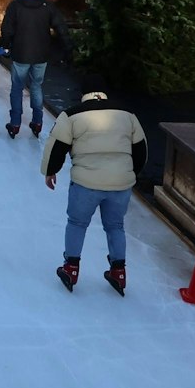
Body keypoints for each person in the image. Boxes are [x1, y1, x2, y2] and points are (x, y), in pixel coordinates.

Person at [44, 92, 147, 296]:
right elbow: (141, 149)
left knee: (77, 223)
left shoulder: (71, 115)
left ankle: (71, 268)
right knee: (115, 226)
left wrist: (50, 170)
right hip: (120, 183)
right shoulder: (128, 115)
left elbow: (57, 145)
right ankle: (118, 271)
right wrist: (130, 173)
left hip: (86, 183)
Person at [0, 0, 69, 137]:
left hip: (20, 53)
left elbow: (7, 29)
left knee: (17, 88)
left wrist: (6, 46)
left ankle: (15, 123)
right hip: (41, 54)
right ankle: (37, 122)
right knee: (37, 86)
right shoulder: (47, 6)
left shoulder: (15, 5)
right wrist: (67, 48)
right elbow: (61, 27)